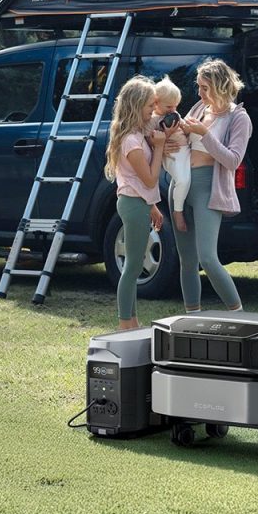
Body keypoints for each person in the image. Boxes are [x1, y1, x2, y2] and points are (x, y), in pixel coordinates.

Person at [173, 58, 251, 313]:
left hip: (209, 188)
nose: (199, 93)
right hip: (183, 187)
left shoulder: (239, 118)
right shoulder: (198, 108)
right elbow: (183, 138)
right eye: (198, 87)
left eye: (204, 88)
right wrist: (176, 136)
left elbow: (232, 160)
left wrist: (205, 135)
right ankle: (191, 315)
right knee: (186, 260)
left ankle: (238, 313)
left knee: (207, 257)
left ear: (220, 86)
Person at [104, 75, 169, 330]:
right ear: (135, 106)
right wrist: (161, 147)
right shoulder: (132, 141)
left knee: (133, 263)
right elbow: (151, 179)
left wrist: (152, 206)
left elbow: (139, 184)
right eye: (148, 107)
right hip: (132, 205)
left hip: (137, 203)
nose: (152, 112)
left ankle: (132, 322)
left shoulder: (135, 134)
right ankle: (124, 323)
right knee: (132, 267)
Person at [151, 76, 198, 233]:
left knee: (191, 180)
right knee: (183, 181)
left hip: (186, 151)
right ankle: (178, 212)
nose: (173, 110)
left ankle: (189, 208)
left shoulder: (174, 113)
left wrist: (186, 127)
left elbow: (184, 126)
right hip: (172, 155)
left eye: (176, 106)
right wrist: (166, 134)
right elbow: (150, 140)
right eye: (168, 107)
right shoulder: (153, 120)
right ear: (155, 103)